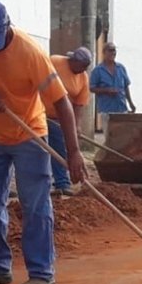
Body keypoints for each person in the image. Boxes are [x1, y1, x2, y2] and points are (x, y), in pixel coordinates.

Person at [0, 0, 85, 284]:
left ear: (7, 27)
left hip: (31, 134)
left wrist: (74, 152)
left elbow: (63, 103)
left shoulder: (31, 54)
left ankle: (42, 273)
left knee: (35, 204)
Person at [45, 46, 92, 197]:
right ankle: (39, 183)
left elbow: (78, 104)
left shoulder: (83, 77)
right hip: (38, 113)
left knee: (59, 148)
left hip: (59, 119)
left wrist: (75, 125)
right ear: (73, 60)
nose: (84, 69)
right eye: (82, 66)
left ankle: (62, 183)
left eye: (86, 67)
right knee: (37, 149)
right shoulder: (54, 62)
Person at [89, 41, 135, 132]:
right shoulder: (97, 70)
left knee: (124, 134)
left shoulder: (121, 68)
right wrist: (106, 90)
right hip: (107, 109)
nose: (113, 53)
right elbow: (92, 88)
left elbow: (126, 86)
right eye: (110, 50)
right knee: (109, 135)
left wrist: (131, 103)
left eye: (114, 50)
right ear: (104, 52)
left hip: (121, 108)